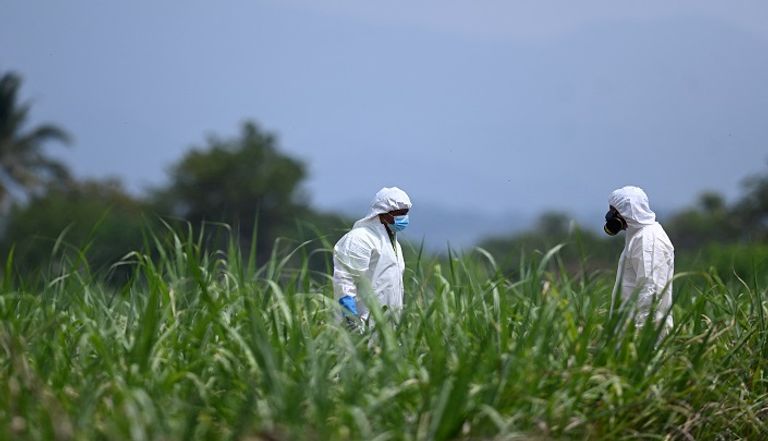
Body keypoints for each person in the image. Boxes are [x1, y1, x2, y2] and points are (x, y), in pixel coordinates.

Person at [333, 187, 412, 326]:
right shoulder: (360, 239)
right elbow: (345, 281)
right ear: (382, 213)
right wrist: (352, 320)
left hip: (388, 327)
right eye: (398, 213)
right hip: (362, 325)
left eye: (405, 213)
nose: (403, 218)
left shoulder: (394, 244)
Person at [604, 186, 675, 334]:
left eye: (613, 211)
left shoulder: (648, 241)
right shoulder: (637, 237)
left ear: (625, 211)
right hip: (627, 334)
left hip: (644, 336)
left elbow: (651, 291)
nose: (609, 216)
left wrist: (641, 339)